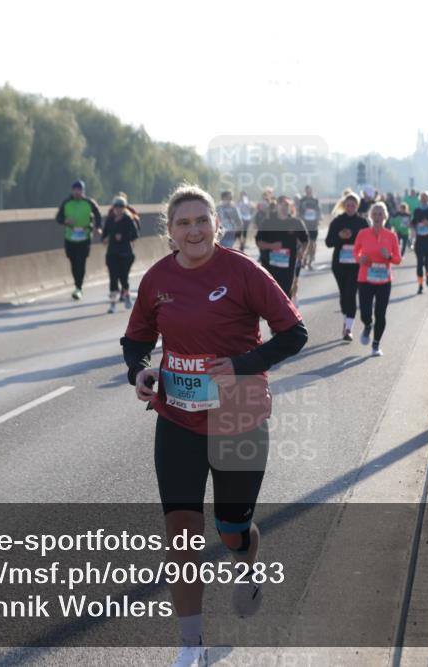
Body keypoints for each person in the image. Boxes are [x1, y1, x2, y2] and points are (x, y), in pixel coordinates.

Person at [120, 184, 307, 667]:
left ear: (216, 226)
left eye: (202, 220)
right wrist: (139, 370)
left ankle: (245, 561)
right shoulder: (157, 279)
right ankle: (191, 645)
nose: (194, 230)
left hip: (239, 416)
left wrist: (245, 364)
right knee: (180, 536)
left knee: (230, 529)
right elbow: (136, 339)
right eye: (183, 223)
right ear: (170, 233)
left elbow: (295, 333)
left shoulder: (243, 271)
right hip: (177, 417)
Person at [354, 202, 401, 356]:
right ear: (370, 216)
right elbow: (356, 252)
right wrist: (360, 258)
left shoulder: (391, 235)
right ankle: (368, 325)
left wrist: (388, 256)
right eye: (375, 214)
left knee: (380, 313)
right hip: (365, 278)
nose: (377, 217)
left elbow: (398, 259)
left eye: (380, 214)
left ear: (385, 216)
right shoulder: (362, 233)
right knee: (365, 313)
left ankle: (376, 344)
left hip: (384, 281)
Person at [324, 191, 369, 340]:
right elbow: (328, 242)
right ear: (344, 206)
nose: (350, 207)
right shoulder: (337, 221)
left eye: (353, 205)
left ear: (357, 206)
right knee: (344, 295)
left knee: (351, 293)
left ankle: (348, 328)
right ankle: (346, 321)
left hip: (356, 265)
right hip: (339, 264)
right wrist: (339, 237)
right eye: (348, 205)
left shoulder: (362, 222)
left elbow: (369, 243)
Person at [56, 179, 102, 300]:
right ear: (72, 191)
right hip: (70, 237)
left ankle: (79, 287)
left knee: (81, 261)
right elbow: (58, 218)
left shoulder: (89, 202)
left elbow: (98, 214)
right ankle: (77, 284)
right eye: (75, 190)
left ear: (83, 191)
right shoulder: (66, 202)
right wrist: (65, 221)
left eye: (79, 190)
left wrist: (98, 227)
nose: (77, 192)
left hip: (85, 237)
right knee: (73, 261)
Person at [255, 195, 309, 298]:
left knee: (285, 294)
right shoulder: (268, 222)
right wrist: (271, 246)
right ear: (277, 205)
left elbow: (305, 240)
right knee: (271, 295)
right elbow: (259, 242)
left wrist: (302, 251)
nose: (285, 207)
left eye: (287, 205)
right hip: (269, 266)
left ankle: (284, 312)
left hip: (288, 266)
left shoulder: (295, 222)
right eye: (282, 205)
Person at [102, 195, 140, 313]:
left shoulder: (129, 219)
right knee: (113, 278)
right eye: (116, 206)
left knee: (123, 277)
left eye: (121, 206)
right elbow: (104, 235)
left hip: (125, 253)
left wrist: (123, 237)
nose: (118, 209)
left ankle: (127, 294)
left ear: (125, 207)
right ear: (113, 208)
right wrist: (106, 238)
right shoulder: (109, 220)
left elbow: (135, 235)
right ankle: (112, 304)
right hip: (112, 253)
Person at [411, 191, 428, 295]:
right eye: (422, 197)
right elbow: (414, 221)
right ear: (420, 199)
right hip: (419, 241)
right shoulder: (417, 210)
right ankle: (420, 285)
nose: (423, 199)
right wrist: (412, 224)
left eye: (425, 197)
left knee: (427, 264)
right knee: (419, 264)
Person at [298, 185, 322, 269]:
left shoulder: (315, 200)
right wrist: (300, 220)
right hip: (305, 225)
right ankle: (304, 260)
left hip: (314, 225)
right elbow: (299, 211)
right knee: (305, 243)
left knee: (312, 244)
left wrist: (319, 218)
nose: (308, 192)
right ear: (305, 191)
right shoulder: (302, 200)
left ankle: (310, 261)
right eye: (307, 191)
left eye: (310, 191)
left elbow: (319, 210)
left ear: (312, 191)